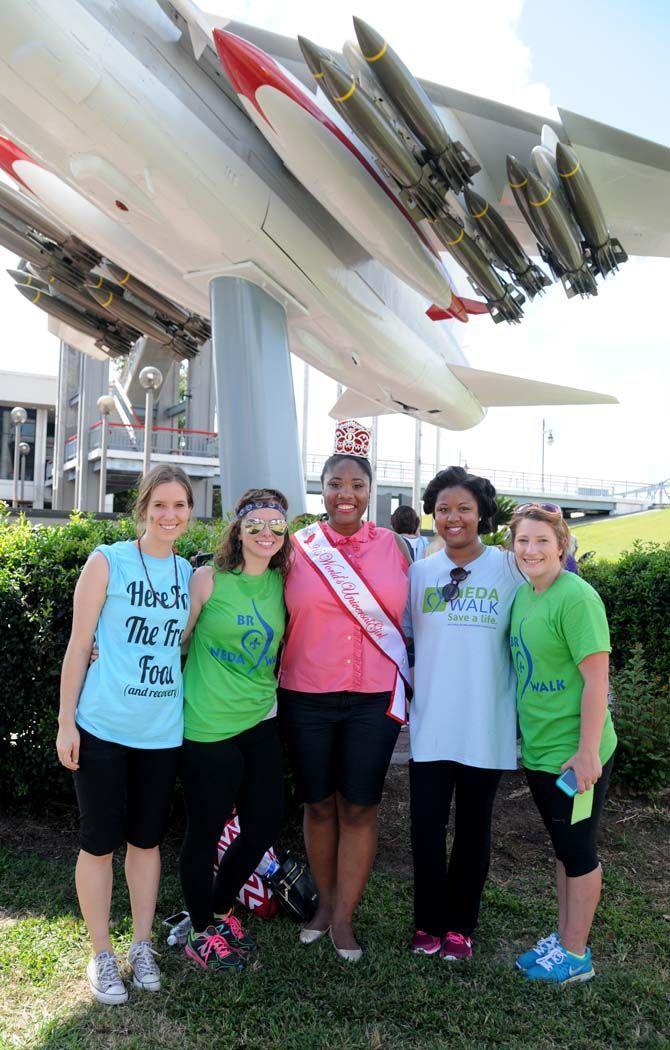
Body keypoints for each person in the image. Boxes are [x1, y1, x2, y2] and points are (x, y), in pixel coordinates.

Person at [56, 464, 194, 1005]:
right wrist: (66, 721)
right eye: (160, 504)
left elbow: (183, 644)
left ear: (189, 511)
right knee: (97, 844)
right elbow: (77, 644)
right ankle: (101, 954)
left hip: (161, 732)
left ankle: (140, 945)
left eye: (180, 505)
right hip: (103, 727)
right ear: (143, 509)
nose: (170, 515)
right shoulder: (106, 562)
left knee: (147, 842)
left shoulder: (191, 575)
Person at [279, 420, 410, 961]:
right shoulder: (294, 548)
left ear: (369, 491)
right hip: (305, 695)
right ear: (323, 489)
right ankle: (324, 904)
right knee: (317, 805)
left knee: (359, 807)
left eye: (357, 485)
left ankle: (345, 919)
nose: (346, 494)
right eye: (336, 484)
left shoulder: (398, 548)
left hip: (372, 699)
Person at [405, 466, 525, 961]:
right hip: (431, 724)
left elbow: (558, 578)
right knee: (426, 830)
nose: (453, 518)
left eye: (464, 509)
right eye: (443, 510)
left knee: (474, 831)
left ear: (482, 514)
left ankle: (461, 927)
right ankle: (428, 924)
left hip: (485, 725)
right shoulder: (420, 572)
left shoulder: (510, 568)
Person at [178, 488, 290, 972]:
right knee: (202, 832)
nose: (266, 533)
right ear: (237, 530)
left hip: (262, 720)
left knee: (264, 822)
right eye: (255, 524)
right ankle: (199, 931)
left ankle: (220, 908)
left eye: (276, 525)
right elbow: (170, 638)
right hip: (207, 726)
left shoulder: (285, 581)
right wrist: (106, 651)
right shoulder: (207, 579)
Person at [509, 503, 616, 984]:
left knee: (579, 851)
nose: (530, 551)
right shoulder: (528, 593)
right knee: (562, 848)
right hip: (541, 750)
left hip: (576, 755)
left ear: (562, 546)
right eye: (522, 541)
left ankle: (576, 957)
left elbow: (596, 680)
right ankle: (565, 936)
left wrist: (588, 751)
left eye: (541, 542)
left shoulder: (577, 598)